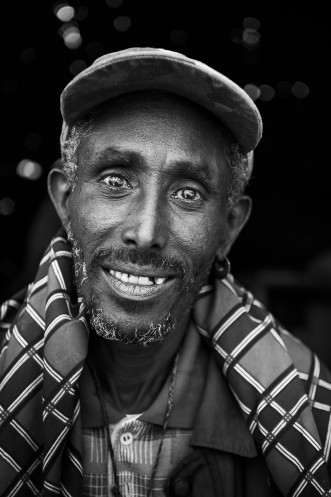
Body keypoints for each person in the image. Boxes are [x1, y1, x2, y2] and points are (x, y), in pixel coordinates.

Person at [0, 47, 330, 497]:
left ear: (228, 228)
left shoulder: (309, 407)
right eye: (116, 180)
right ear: (64, 200)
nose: (147, 231)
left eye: (189, 193)